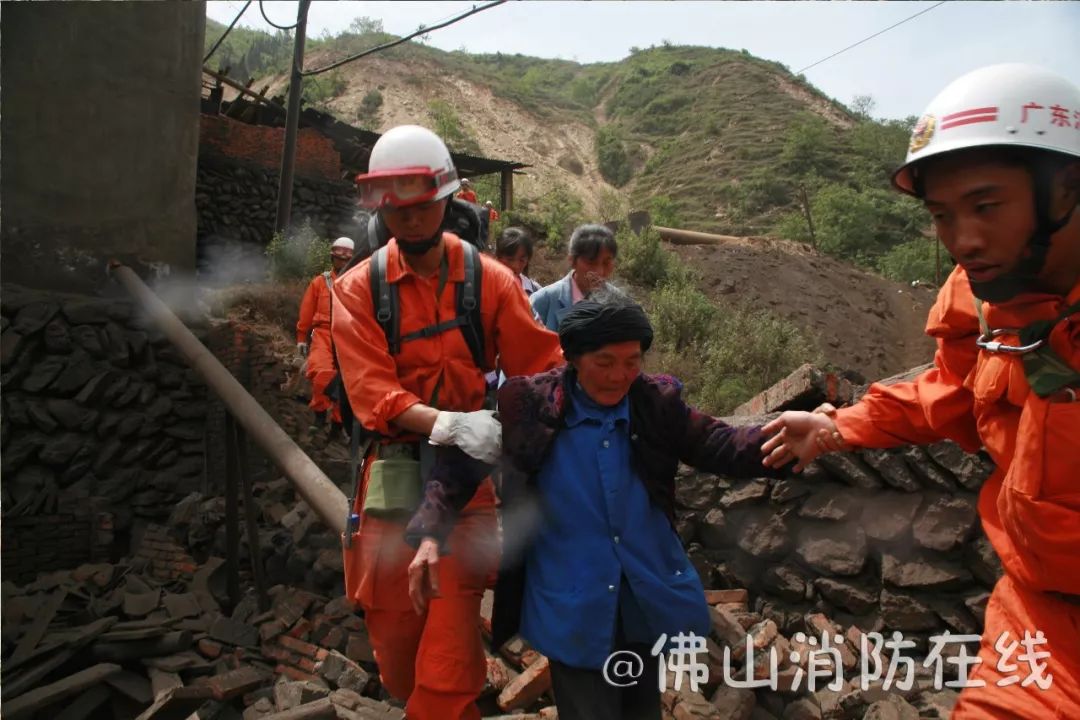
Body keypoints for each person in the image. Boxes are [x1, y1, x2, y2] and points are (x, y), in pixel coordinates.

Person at [761, 64, 1080, 718]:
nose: (963, 240)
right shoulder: (982, 302)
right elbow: (949, 390)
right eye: (942, 215)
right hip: (1037, 616)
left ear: (1066, 189)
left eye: (987, 206)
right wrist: (839, 427)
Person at [332, 124, 564, 720]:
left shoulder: (491, 280)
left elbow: (542, 367)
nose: (409, 221)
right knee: (395, 643)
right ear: (381, 210)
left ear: (447, 200)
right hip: (393, 470)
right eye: (396, 210)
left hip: (466, 480)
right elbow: (371, 393)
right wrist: (445, 422)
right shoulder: (358, 290)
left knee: (449, 649)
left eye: (421, 206)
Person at [490, 291, 787, 720]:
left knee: (640, 707)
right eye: (605, 362)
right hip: (572, 599)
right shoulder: (531, 407)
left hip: (642, 595)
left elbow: (718, 443)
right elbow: (465, 455)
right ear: (573, 358)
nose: (620, 375)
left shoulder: (653, 404)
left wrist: (791, 443)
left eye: (632, 361)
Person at [296, 236, 354, 434]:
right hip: (322, 333)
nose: (342, 261)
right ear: (332, 258)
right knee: (321, 372)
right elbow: (306, 312)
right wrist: (301, 338)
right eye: (339, 257)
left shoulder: (359, 283)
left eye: (346, 258)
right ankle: (320, 417)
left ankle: (338, 425)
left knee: (346, 380)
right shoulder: (319, 283)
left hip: (349, 337)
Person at [530, 223, 618, 330]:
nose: (599, 271)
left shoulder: (619, 301)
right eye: (591, 262)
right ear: (572, 261)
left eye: (606, 263)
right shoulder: (542, 301)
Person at [494, 226, 541, 297]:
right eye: (510, 259)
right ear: (498, 257)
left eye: (522, 260)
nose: (515, 266)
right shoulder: (485, 287)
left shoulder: (535, 291)